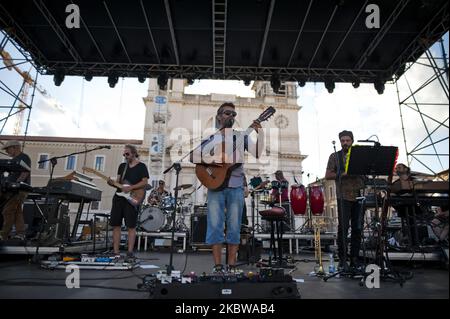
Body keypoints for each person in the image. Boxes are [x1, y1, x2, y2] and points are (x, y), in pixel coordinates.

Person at [192, 102, 264, 272]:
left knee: (234, 227)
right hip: (215, 187)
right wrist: (214, 161)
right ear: (219, 116)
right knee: (215, 225)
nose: (231, 116)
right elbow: (194, 156)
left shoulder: (240, 136)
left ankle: (231, 266)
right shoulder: (213, 138)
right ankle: (218, 266)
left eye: (233, 114)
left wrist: (260, 132)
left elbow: (257, 152)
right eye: (227, 113)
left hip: (236, 187)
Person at [325, 130, 364, 270]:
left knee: (357, 228)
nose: (345, 143)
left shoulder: (359, 155)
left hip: (359, 194)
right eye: (343, 141)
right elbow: (328, 174)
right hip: (343, 196)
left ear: (352, 140)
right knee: (343, 228)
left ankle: (354, 258)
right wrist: (344, 173)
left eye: (348, 140)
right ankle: (343, 259)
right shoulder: (335, 156)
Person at [107, 144, 149, 260]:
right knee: (116, 225)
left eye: (127, 154)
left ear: (134, 153)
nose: (125, 156)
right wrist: (111, 183)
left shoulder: (142, 167)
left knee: (131, 225)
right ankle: (116, 252)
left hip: (131, 198)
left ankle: (130, 252)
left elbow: (145, 182)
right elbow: (118, 181)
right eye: (124, 154)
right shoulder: (122, 166)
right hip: (119, 197)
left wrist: (131, 188)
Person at [0, 140, 31, 241]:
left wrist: (17, 185)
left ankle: (3, 235)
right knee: (17, 212)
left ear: (15, 147)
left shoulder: (23, 157)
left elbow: (25, 172)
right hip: (13, 190)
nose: (7, 152)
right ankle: (20, 233)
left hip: (19, 190)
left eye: (8, 149)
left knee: (7, 211)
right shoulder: (13, 160)